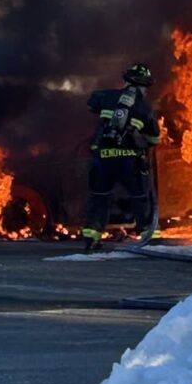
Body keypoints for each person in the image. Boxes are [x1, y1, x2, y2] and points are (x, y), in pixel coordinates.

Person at [82, 63, 161, 250]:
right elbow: (154, 139)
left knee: (99, 197)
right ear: (143, 86)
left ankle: (91, 238)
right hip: (130, 161)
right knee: (140, 197)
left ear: (125, 81)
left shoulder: (105, 96)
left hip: (103, 159)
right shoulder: (145, 108)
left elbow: (90, 105)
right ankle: (150, 238)